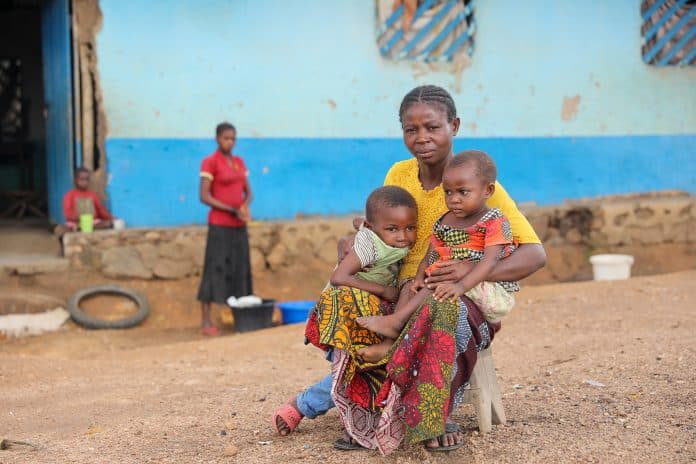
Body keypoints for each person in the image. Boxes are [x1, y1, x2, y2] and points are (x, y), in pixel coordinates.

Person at [273, 85, 546, 453]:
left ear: (454, 125)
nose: (422, 139)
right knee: (345, 298)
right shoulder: (399, 174)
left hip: (456, 294)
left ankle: (433, 413)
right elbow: (381, 225)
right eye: (410, 129)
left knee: (442, 309)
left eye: (432, 127)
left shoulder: (475, 182)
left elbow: (533, 255)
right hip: (403, 286)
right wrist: (356, 241)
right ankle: (363, 413)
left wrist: (466, 271)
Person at [281, 186, 417, 436]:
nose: (403, 236)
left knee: (359, 369)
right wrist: (384, 290)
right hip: (343, 312)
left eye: (410, 228)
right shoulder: (369, 244)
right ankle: (302, 406)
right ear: (373, 228)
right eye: (393, 229)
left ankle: (306, 406)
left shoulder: (395, 239)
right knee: (348, 370)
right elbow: (338, 277)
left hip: (370, 309)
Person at [357, 150, 518, 354]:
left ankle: (396, 323)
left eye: (463, 192)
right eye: (448, 192)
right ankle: (391, 345)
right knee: (414, 288)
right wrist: (418, 278)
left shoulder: (494, 220)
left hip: (489, 290)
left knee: (436, 288)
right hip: (452, 279)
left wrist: (460, 286)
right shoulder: (445, 220)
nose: (454, 199)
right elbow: (431, 253)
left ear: (488, 190)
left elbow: (490, 262)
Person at [197, 122, 253, 336]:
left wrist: (244, 206)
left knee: (240, 269)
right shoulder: (210, 162)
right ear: (217, 139)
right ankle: (205, 322)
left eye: (232, 138)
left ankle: (241, 318)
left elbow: (248, 192)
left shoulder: (239, 162)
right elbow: (204, 196)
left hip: (239, 226)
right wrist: (231, 209)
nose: (229, 142)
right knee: (214, 269)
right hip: (219, 226)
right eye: (225, 138)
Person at [61, 167, 113, 231]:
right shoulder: (69, 195)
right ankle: (80, 227)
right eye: (82, 179)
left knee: (107, 224)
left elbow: (101, 210)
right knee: (64, 228)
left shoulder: (92, 195)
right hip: (75, 223)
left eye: (87, 179)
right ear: (75, 180)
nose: (84, 182)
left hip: (92, 223)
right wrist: (80, 218)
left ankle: (81, 228)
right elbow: (68, 214)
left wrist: (112, 218)